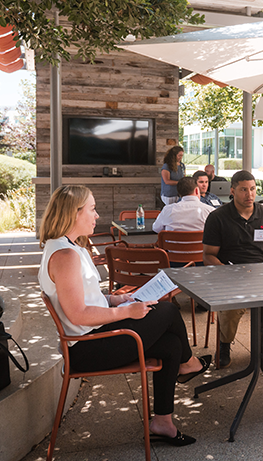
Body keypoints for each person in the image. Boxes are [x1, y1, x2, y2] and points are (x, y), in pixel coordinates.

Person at [38, 185, 211, 447]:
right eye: (93, 209)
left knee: (172, 345)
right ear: (74, 214)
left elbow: (83, 299)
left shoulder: (69, 247)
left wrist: (115, 299)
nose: (97, 215)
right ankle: (188, 365)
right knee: (166, 309)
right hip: (86, 348)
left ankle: (163, 422)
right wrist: (125, 311)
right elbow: (78, 313)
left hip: (95, 337)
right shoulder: (65, 256)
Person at [202, 170, 263, 368]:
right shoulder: (217, 218)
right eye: (243, 190)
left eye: (252, 189)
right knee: (231, 306)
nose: (249, 194)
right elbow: (208, 256)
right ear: (232, 191)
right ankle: (224, 344)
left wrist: (262, 274)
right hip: (230, 275)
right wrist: (228, 272)